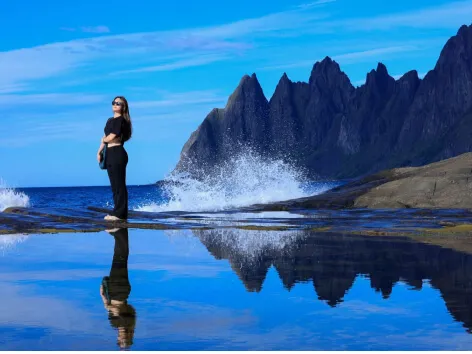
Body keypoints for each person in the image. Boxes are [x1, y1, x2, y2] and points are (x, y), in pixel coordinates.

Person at [100, 228, 137, 349]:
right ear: (126, 338)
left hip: (116, 290)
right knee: (121, 257)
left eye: (119, 339)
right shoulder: (126, 323)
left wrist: (103, 296)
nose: (119, 337)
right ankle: (118, 232)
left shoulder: (116, 323)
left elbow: (113, 307)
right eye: (121, 339)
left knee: (120, 257)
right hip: (119, 291)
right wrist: (109, 306)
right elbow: (125, 308)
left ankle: (118, 232)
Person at [97, 96, 132, 221]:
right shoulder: (109, 120)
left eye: (119, 103)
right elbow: (106, 136)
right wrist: (99, 151)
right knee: (114, 186)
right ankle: (117, 212)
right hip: (110, 153)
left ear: (123, 107)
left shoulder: (121, 120)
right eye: (114, 102)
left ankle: (120, 214)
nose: (115, 104)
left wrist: (104, 140)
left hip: (118, 152)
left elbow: (111, 136)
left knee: (120, 184)